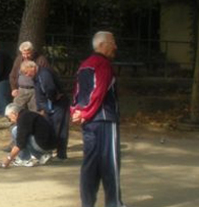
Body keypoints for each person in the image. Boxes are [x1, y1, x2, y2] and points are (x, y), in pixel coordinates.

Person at [71, 31, 125, 207]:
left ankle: (87, 204)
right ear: (102, 45)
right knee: (110, 163)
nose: (115, 46)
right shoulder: (103, 64)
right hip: (104, 120)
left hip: (89, 123)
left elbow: (78, 93)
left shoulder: (84, 65)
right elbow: (98, 92)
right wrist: (85, 112)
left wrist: (76, 111)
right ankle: (114, 203)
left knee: (91, 165)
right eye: (113, 42)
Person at [21, 61, 70, 160]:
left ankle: (61, 154)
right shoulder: (38, 75)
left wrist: (52, 100)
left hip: (56, 105)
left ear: (32, 67)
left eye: (27, 72)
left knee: (59, 129)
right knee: (51, 129)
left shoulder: (43, 74)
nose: (27, 75)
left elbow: (50, 89)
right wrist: (42, 107)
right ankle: (52, 152)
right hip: (50, 106)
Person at [1, 103, 57, 167]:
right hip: (49, 144)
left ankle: (24, 159)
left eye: (9, 118)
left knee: (16, 131)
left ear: (14, 113)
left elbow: (20, 143)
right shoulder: (28, 114)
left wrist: (8, 159)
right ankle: (42, 156)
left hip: (44, 145)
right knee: (21, 134)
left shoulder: (23, 119)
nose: (10, 121)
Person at [9, 41, 51, 112]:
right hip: (21, 90)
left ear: (32, 51)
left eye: (28, 53)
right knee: (16, 110)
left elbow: (47, 76)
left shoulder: (41, 59)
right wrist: (14, 88)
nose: (25, 56)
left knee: (35, 111)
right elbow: (13, 75)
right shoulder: (19, 59)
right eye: (23, 54)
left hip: (35, 90)